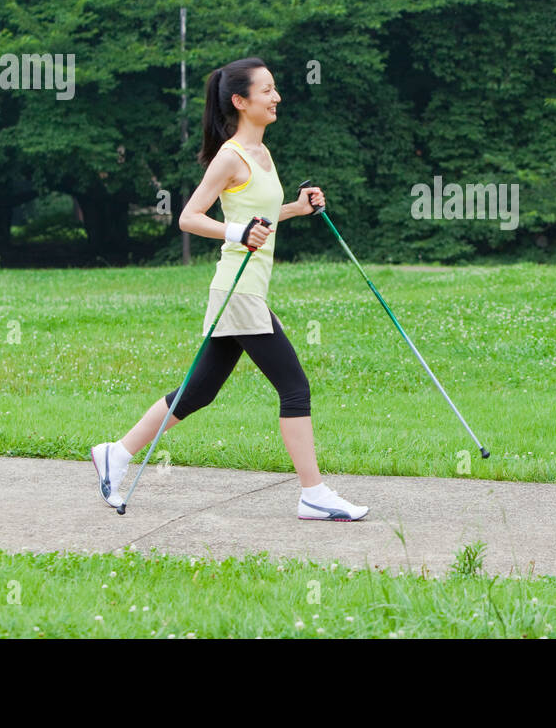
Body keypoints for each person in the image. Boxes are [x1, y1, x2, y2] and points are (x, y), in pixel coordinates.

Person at [90, 57, 369, 521]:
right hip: (237, 293)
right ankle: (313, 493)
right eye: (267, 91)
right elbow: (189, 217)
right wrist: (236, 233)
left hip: (245, 294)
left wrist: (296, 209)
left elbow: (259, 215)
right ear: (241, 101)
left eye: (275, 88)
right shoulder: (230, 155)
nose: (276, 97)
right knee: (295, 387)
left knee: (198, 392)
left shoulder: (262, 154)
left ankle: (115, 453)